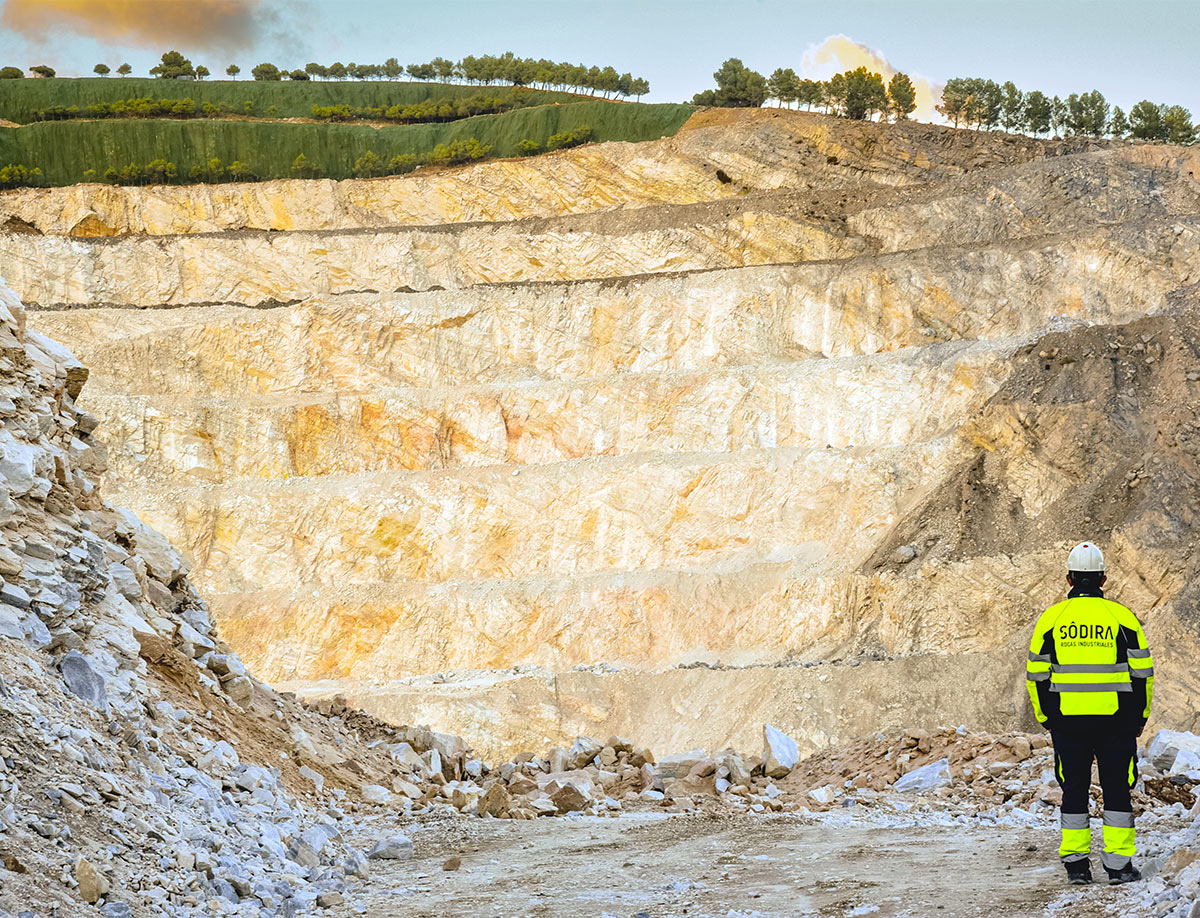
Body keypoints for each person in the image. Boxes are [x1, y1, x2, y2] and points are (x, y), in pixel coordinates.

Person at [1025, 542, 1154, 886]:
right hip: (1116, 724)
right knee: (1116, 791)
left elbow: (1036, 675)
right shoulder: (1122, 617)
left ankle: (1077, 867)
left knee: (1074, 790)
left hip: (1067, 724)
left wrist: (1046, 717)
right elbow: (1143, 674)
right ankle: (1118, 866)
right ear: (1103, 579)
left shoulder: (1052, 619)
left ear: (1068, 578)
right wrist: (1139, 717)